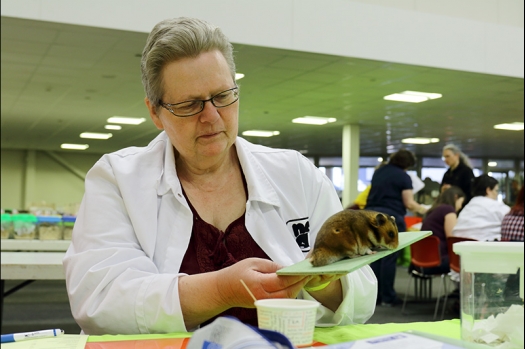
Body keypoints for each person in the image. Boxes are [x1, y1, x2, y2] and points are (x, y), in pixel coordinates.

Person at [62, 17, 377, 335]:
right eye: (189, 104)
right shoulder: (118, 179)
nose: (211, 117)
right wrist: (221, 291)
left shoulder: (295, 173)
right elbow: (100, 299)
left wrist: (323, 283)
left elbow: (362, 292)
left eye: (222, 96)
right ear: (155, 112)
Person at [365, 149, 428, 306]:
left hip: (370, 216)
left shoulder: (379, 172)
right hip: (389, 218)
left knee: (375, 256)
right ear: (407, 164)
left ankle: (375, 296)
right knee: (389, 256)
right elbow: (409, 203)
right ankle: (388, 296)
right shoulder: (403, 176)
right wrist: (425, 209)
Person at [418, 186, 466, 274]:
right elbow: (451, 238)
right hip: (439, 260)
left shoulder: (433, 210)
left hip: (420, 260)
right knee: (468, 260)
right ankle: (460, 288)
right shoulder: (449, 210)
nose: (460, 207)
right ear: (456, 197)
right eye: (461, 203)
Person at [452, 174, 510, 241]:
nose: (497, 194)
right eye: (496, 190)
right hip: (486, 248)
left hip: (459, 248)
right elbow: (512, 220)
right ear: (488, 190)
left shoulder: (466, 209)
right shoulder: (497, 206)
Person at [440, 144, 475, 209]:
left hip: (464, 208)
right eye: (444, 157)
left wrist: (453, 190)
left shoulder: (466, 172)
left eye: (448, 156)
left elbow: (471, 192)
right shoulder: (447, 174)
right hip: (449, 207)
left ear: (456, 156)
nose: (446, 160)